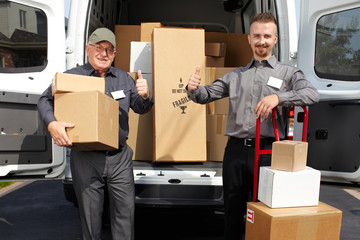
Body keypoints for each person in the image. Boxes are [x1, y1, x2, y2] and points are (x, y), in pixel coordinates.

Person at [187, 13, 320, 240]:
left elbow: (311, 94)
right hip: (235, 153)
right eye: (257, 36)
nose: (261, 41)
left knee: (265, 211)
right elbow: (206, 95)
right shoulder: (236, 76)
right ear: (249, 39)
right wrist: (193, 90)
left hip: (269, 152)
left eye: (267, 36)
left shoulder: (288, 73)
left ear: (275, 39)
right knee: (232, 211)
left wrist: (279, 97)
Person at [38, 27, 153, 240]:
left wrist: (145, 96)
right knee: (90, 218)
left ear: (115, 54)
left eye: (109, 50)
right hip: (86, 158)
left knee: (124, 215)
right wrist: (52, 124)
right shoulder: (72, 76)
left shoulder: (123, 78)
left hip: (120, 158)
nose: (104, 54)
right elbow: (45, 99)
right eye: (98, 48)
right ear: (87, 49)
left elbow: (140, 107)